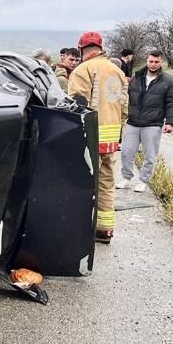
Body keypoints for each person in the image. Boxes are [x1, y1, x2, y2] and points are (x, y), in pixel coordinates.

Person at [67, 31, 128, 244]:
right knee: (106, 182)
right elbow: (125, 107)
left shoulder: (83, 70)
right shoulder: (117, 71)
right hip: (110, 138)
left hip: (89, 138)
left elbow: (76, 106)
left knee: (81, 182)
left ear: (82, 49)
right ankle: (104, 229)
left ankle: (78, 229)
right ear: (100, 48)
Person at [117, 50, 173, 192]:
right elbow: (125, 96)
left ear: (161, 62)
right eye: (151, 61)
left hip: (152, 123)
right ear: (147, 61)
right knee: (126, 151)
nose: (153, 64)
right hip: (133, 122)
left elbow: (172, 103)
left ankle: (143, 181)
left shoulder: (169, 82)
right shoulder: (136, 77)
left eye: (156, 62)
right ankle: (126, 178)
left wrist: (170, 122)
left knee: (150, 155)